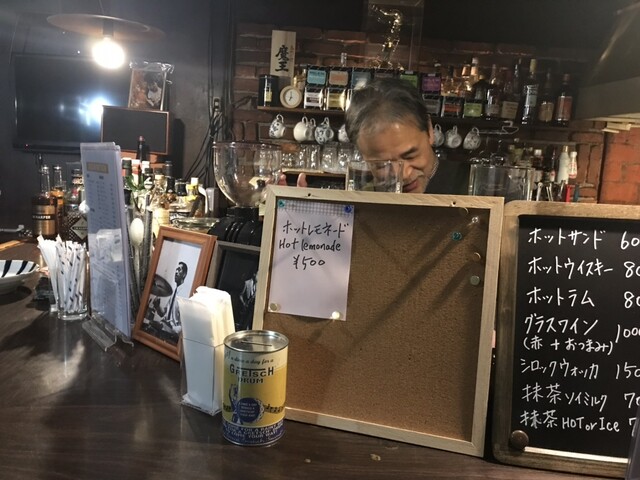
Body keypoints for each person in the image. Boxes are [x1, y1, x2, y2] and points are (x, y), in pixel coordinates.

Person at [284, 77, 453, 193]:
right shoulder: (363, 199)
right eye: (381, 165)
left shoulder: (466, 187)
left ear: (429, 130)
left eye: (410, 156)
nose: (402, 175)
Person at [151, 261, 188, 335]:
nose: (176, 272)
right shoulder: (174, 293)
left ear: (184, 274)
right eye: (176, 269)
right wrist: (157, 307)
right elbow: (164, 315)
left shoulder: (185, 296)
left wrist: (172, 328)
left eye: (179, 270)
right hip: (164, 328)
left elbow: (185, 326)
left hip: (172, 334)